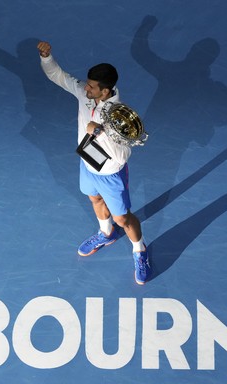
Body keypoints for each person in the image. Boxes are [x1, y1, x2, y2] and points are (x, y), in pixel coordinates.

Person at [37, 41, 151, 285]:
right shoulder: (87, 93)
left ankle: (139, 250)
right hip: (87, 163)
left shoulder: (120, 114)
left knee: (124, 219)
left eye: (91, 86)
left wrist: (98, 132)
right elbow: (59, 76)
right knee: (94, 199)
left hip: (110, 172)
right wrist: (47, 58)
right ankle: (105, 233)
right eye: (87, 83)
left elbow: (122, 155)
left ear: (106, 92)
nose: (85, 87)